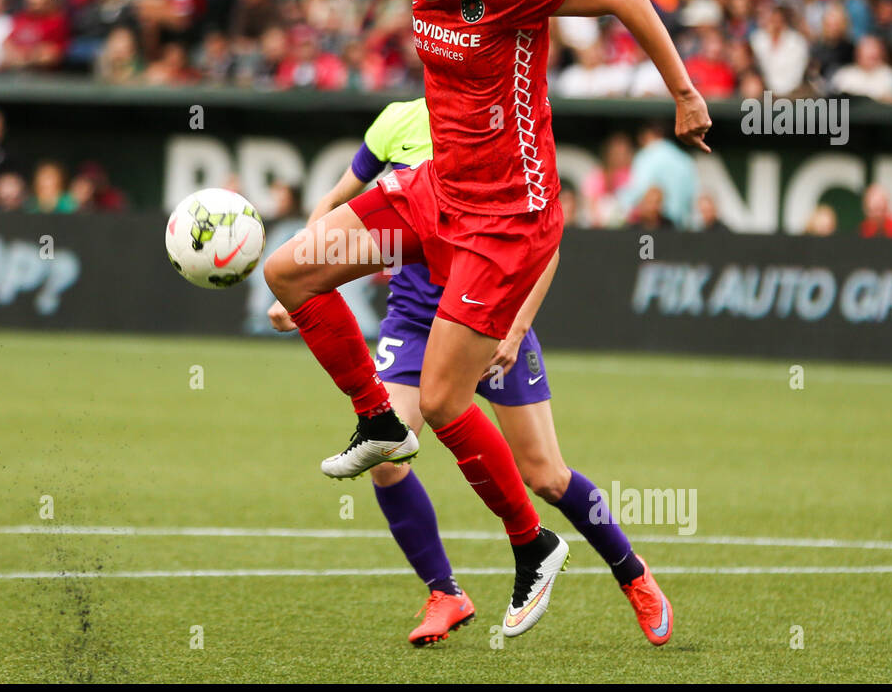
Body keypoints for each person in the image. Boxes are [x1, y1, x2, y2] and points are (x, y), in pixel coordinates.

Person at [263, 0, 709, 638]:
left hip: (508, 219)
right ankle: (377, 419)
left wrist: (684, 94)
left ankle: (547, 552)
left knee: (449, 408)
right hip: (438, 192)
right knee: (289, 269)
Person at [270, 98, 673, 647]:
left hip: (491, 321)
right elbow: (336, 200)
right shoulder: (396, 121)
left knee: (547, 476)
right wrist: (305, 273)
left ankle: (633, 575)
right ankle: (445, 593)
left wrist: (516, 325)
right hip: (415, 322)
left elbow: (544, 240)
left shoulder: (504, 125)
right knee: (389, 458)